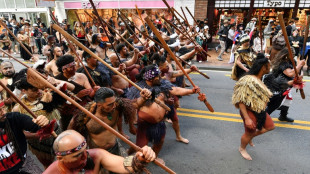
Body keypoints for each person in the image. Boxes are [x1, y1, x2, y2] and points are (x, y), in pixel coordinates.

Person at [43, 130, 156, 174]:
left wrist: (140, 158)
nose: (85, 157)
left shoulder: (96, 155)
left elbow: (123, 164)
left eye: (85, 150)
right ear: (61, 158)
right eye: (77, 155)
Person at [232, 53, 275, 161]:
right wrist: (247, 118)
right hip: (248, 111)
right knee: (249, 132)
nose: (270, 67)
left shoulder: (260, 78)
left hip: (259, 110)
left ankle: (250, 137)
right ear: (263, 67)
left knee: (270, 126)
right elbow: (240, 100)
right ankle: (242, 148)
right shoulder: (247, 80)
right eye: (268, 66)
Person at [0, 100, 50, 173]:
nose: (4, 113)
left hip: (24, 165)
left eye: (3, 108)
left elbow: (46, 129)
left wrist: (45, 122)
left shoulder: (13, 118)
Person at [264, 48, 305, 122]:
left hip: (286, 85)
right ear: (286, 55)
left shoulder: (293, 62)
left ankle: (283, 116)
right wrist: (300, 64)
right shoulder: (283, 63)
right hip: (278, 85)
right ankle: (263, 117)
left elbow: (297, 71)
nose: (293, 54)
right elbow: (290, 73)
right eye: (291, 53)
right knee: (276, 103)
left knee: (287, 101)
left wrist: (300, 75)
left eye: (294, 53)